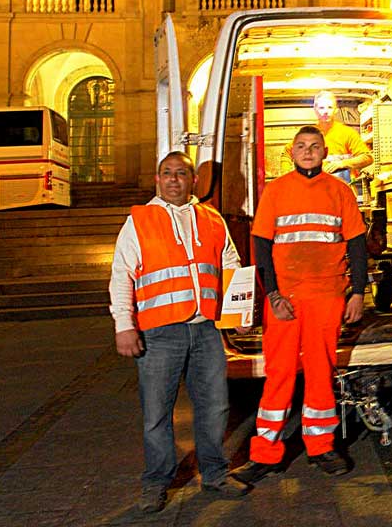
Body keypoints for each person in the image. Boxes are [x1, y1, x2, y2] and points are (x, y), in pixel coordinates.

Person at [108, 151, 250, 514]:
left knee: (215, 406)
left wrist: (238, 312)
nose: (174, 179)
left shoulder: (211, 218)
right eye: (167, 173)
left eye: (181, 173)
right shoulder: (139, 221)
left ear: (193, 181)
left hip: (204, 331)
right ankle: (156, 481)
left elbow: (230, 265)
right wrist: (124, 325)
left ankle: (215, 473)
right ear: (158, 180)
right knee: (157, 412)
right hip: (159, 333)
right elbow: (122, 274)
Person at [232, 125, 369, 482]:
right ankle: (265, 453)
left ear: (325, 152)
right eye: (301, 146)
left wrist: (357, 293)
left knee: (322, 372)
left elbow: (356, 245)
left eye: (314, 146)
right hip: (286, 301)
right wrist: (273, 295)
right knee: (278, 373)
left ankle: (321, 446)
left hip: (327, 297)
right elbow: (261, 246)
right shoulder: (275, 191)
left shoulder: (341, 191)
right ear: (291, 153)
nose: (308, 152)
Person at [310, 91, 372, 182]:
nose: (326, 112)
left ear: (336, 110)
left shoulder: (347, 133)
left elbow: (367, 157)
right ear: (315, 110)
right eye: (321, 108)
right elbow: (289, 156)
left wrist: (342, 164)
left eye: (330, 107)